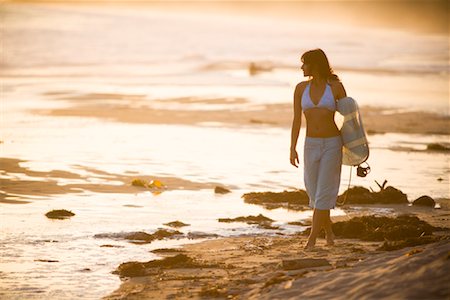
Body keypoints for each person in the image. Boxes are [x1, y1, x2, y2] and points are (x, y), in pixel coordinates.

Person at [290, 49, 347, 250]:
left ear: (315, 65)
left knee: (323, 193)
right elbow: (297, 119)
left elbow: (349, 119)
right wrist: (292, 147)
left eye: (304, 63)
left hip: (332, 144)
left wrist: (354, 148)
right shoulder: (300, 88)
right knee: (314, 194)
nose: (302, 67)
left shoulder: (336, 88)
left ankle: (312, 239)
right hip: (310, 145)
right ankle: (329, 231)